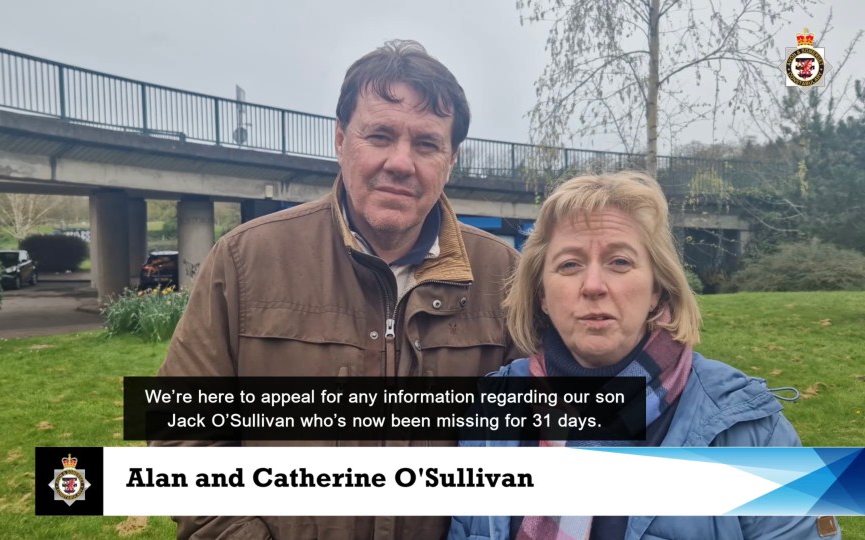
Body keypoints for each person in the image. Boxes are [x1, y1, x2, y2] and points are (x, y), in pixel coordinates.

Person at [155, 40, 523, 539]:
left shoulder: (504, 277)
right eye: (379, 135)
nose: (400, 161)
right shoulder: (246, 261)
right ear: (340, 140)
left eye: (426, 144)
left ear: (450, 161)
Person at [449, 172, 840, 540]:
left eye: (620, 262)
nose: (593, 286)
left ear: (657, 289)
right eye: (569, 264)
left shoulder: (751, 428)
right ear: (542, 296)